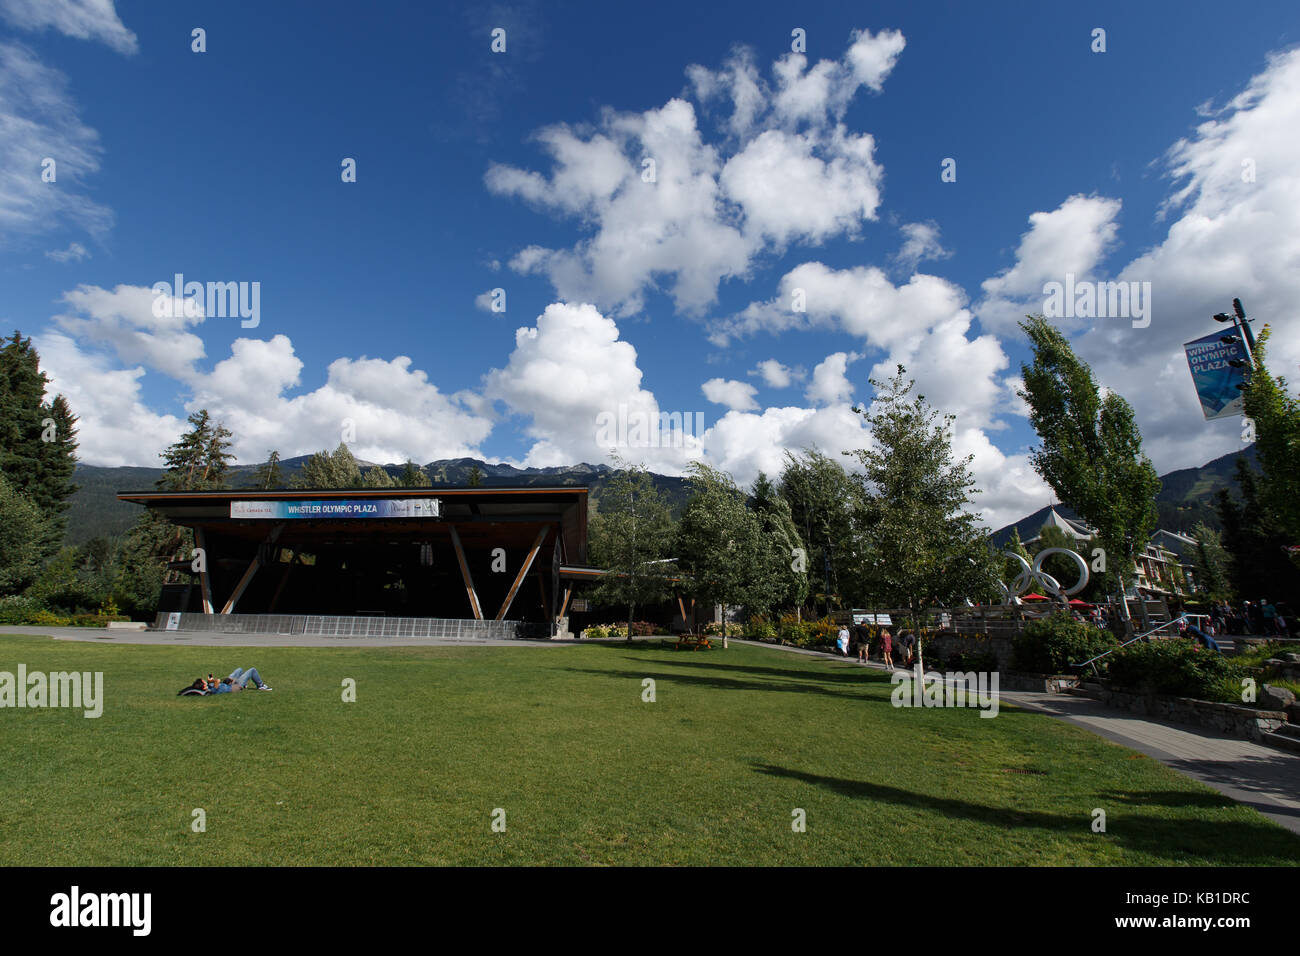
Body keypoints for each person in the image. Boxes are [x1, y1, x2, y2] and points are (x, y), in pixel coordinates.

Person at [206, 667, 272, 693]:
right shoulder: (213, 690)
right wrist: (212, 681)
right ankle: (261, 686)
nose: (205, 682)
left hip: (227, 684)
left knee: (239, 670)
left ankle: (244, 684)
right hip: (235, 687)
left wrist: (210, 680)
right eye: (204, 683)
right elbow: (217, 681)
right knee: (252, 670)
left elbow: (213, 681)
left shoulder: (208, 687)